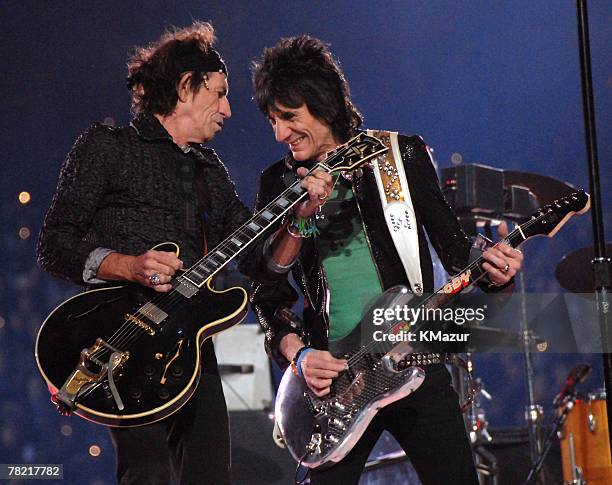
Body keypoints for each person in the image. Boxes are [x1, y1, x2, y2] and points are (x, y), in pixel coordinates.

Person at [248, 36, 524, 484]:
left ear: (325, 105)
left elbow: (457, 252)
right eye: (273, 121)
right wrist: (300, 357)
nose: (280, 133)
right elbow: (266, 292)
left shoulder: (401, 155)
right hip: (334, 381)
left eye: (290, 117)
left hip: (415, 358)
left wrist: (496, 268)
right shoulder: (278, 182)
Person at [38, 21, 252, 485]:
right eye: (219, 93)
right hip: (120, 336)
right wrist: (128, 265)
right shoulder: (107, 146)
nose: (229, 109)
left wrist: (301, 211)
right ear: (185, 88)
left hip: (191, 344)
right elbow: (54, 243)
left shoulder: (208, 168)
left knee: (213, 474)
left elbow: (251, 247)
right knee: (149, 472)